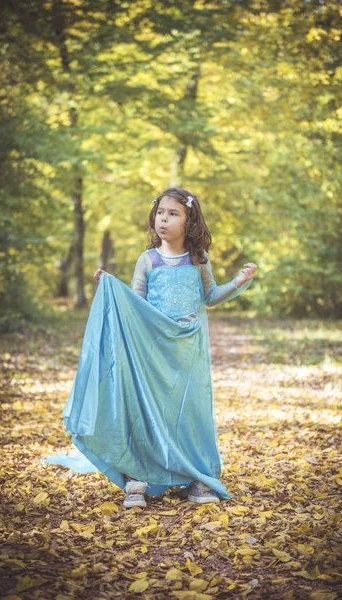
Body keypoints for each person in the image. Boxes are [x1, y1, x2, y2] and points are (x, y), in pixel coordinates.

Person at [42, 188, 257, 509]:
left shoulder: (199, 259)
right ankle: (137, 475)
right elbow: (135, 305)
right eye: (160, 213)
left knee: (189, 410)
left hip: (187, 351)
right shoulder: (148, 260)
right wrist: (112, 288)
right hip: (153, 349)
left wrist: (238, 282)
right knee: (148, 407)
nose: (164, 219)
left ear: (190, 221)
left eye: (173, 214)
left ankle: (197, 475)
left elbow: (209, 297)